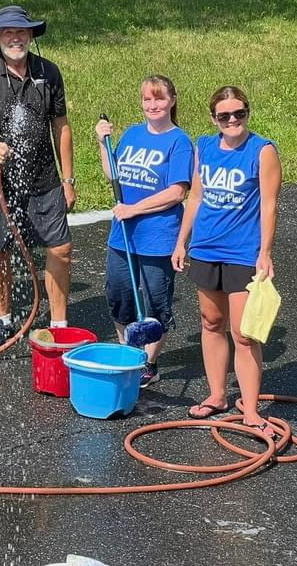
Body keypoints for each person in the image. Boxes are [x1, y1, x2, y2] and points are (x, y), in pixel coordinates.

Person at [0, 5, 76, 352]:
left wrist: (68, 179)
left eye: (21, 32)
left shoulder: (48, 72)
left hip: (45, 180)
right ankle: (4, 320)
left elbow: (61, 126)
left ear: (30, 35)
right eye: (8, 32)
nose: (15, 38)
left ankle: (59, 325)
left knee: (61, 249)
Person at [172, 86, 282, 438]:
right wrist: (181, 241)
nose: (233, 120)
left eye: (239, 113)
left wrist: (265, 252)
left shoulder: (262, 150)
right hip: (205, 249)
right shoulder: (204, 147)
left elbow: (269, 204)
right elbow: (196, 198)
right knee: (211, 322)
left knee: (244, 334)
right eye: (224, 116)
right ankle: (217, 395)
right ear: (214, 119)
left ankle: (250, 410)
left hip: (242, 253)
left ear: (247, 113)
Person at [94, 76, 192, 388]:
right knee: (119, 296)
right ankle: (129, 355)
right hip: (123, 235)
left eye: (159, 98)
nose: (153, 105)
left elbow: (177, 192)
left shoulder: (179, 142)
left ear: (172, 100)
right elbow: (113, 174)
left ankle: (149, 364)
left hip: (158, 238)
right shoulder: (133, 134)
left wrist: (134, 209)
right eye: (147, 99)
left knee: (155, 303)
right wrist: (102, 143)